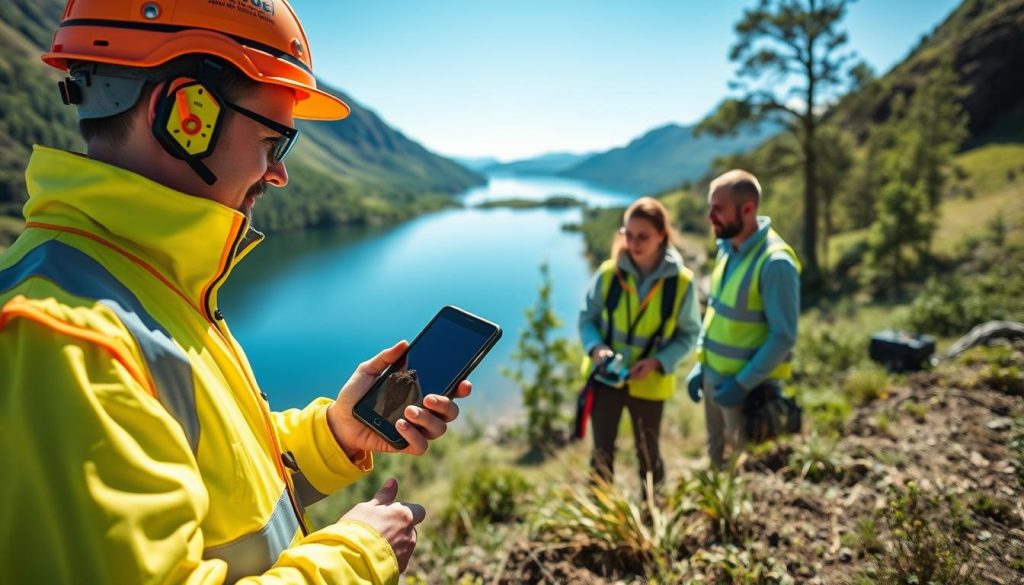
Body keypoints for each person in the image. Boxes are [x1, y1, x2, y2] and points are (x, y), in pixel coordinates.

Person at [0, 2, 468, 583]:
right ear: (182, 113)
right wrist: (358, 556)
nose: (279, 174)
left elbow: (220, 481)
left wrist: (336, 433)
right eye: (275, 141)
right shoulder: (70, 340)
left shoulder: (141, 281)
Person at [578, 197, 701, 492]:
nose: (633, 243)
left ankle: (653, 508)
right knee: (601, 452)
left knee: (648, 453)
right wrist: (596, 349)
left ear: (662, 235)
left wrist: (659, 361)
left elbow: (689, 333)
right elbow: (587, 320)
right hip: (606, 377)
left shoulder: (681, 283)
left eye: (643, 236)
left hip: (650, 383)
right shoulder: (609, 274)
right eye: (628, 234)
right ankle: (601, 511)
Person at [686, 169, 801, 469]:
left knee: (743, 467)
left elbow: (784, 336)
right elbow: (717, 312)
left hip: (745, 393)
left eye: (718, 209)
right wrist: (702, 364)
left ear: (748, 209)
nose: (710, 217)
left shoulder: (775, 263)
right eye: (710, 207)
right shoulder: (728, 249)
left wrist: (741, 383)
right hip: (715, 380)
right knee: (716, 456)